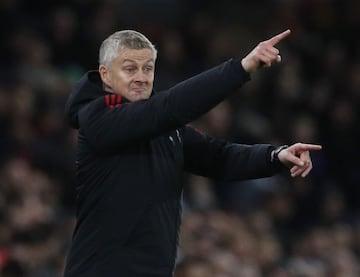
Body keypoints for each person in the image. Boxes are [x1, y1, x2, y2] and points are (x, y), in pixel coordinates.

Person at [63, 29, 321, 277]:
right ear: (106, 75)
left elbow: (219, 158)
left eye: (148, 68)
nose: (141, 77)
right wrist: (241, 68)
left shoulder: (164, 128)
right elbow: (168, 107)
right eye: (130, 69)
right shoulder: (98, 118)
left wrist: (276, 156)